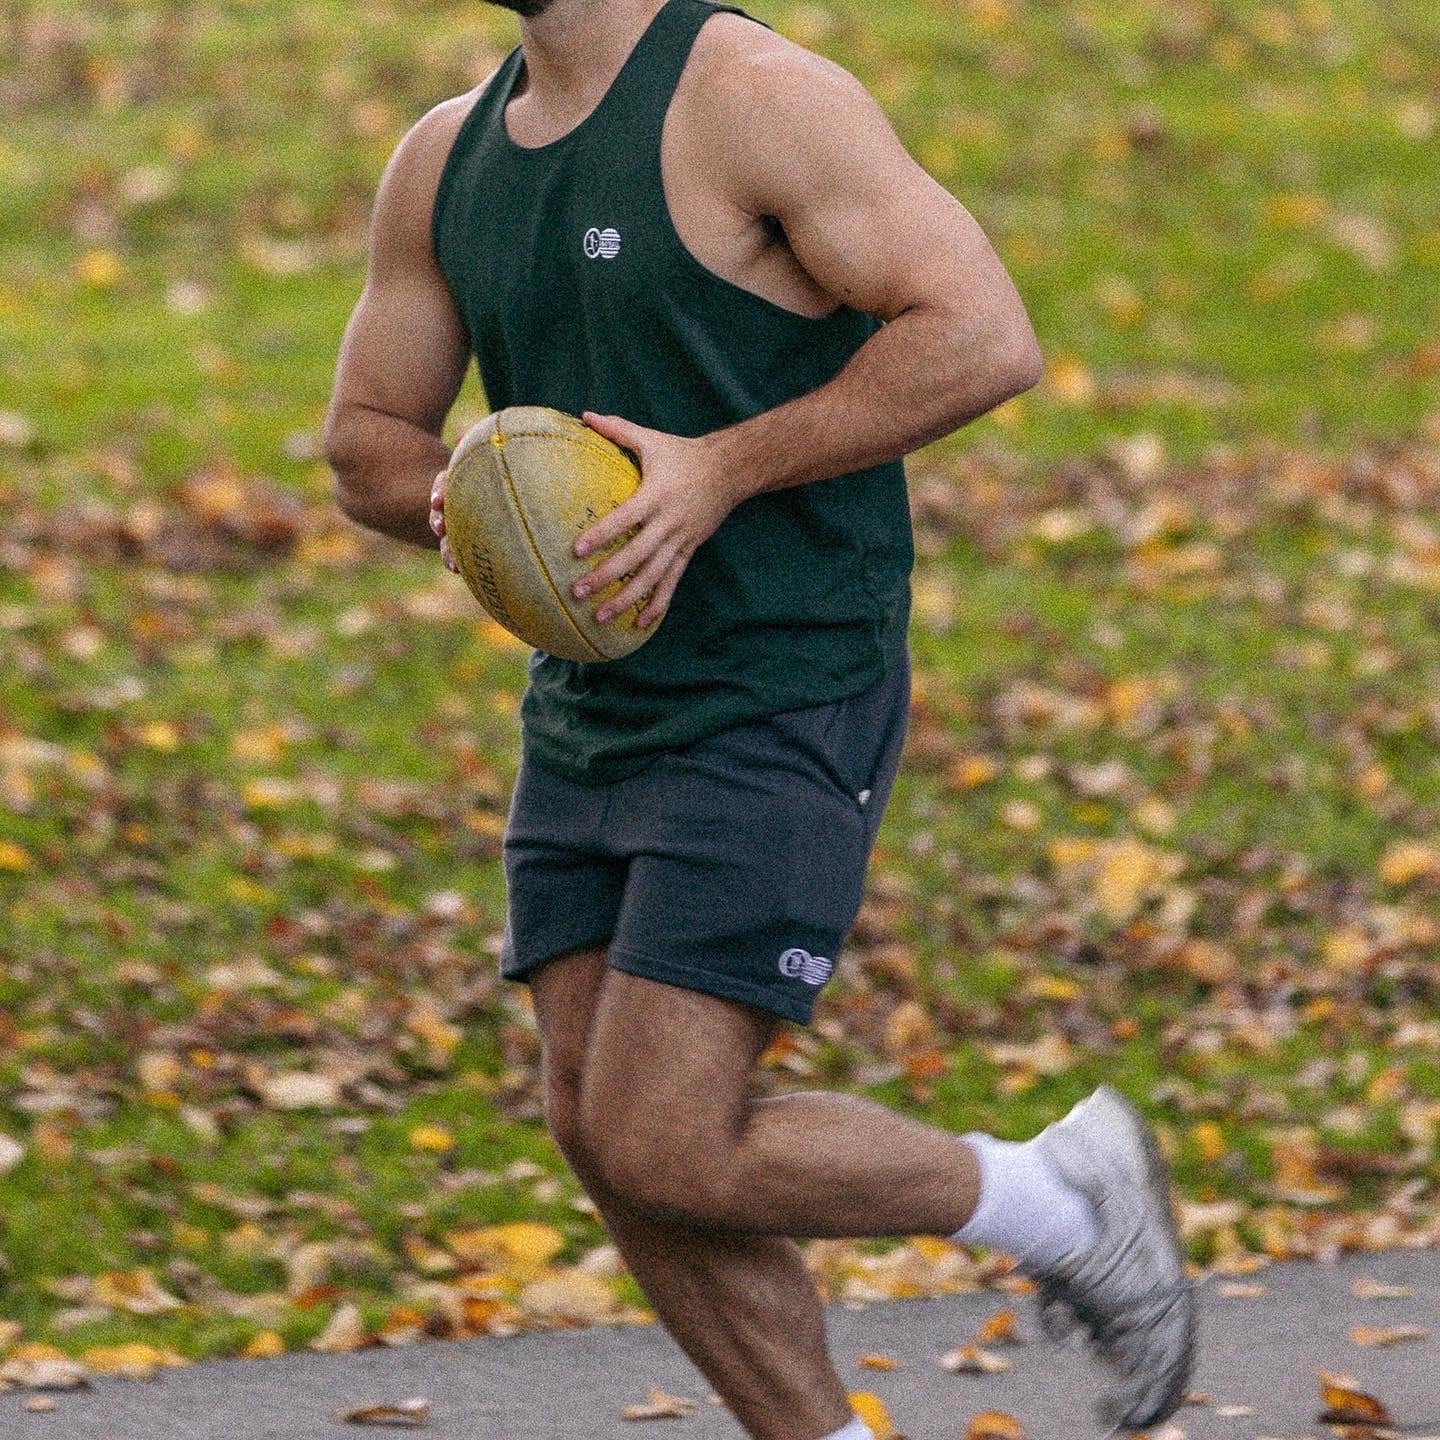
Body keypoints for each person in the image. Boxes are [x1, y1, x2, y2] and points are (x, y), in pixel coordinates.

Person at [322, 1, 1198, 1436]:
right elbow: (366, 440)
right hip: (594, 703)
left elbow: (983, 335)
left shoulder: (756, 99)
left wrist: (717, 470)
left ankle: (1059, 1197)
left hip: (788, 677)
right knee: (599, 1129)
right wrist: (475, 496)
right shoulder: (445, 161)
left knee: (667, 1133)